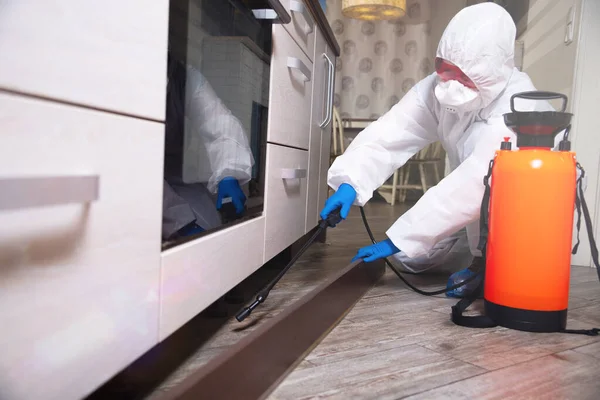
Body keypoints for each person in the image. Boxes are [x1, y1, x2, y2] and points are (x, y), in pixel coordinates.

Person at [320, 3, 555, 297]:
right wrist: (349, 181)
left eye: (465, 76)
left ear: (494, 70)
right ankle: (471, 253)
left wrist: (397, 238)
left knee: (507, 269)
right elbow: (392, 130)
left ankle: (486, 264)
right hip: (473, 205)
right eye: (446, 71)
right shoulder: (435, 88)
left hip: (523, 212)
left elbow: (475, 182)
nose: (452, 84)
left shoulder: (519, 106)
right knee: (409, 257)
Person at [162, 52, 255, 240]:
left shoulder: (183, 77)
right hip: (124, 182)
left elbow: (219, 122)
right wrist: (179, 224)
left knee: (209, 224)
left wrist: (229, 173)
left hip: (170, 173)